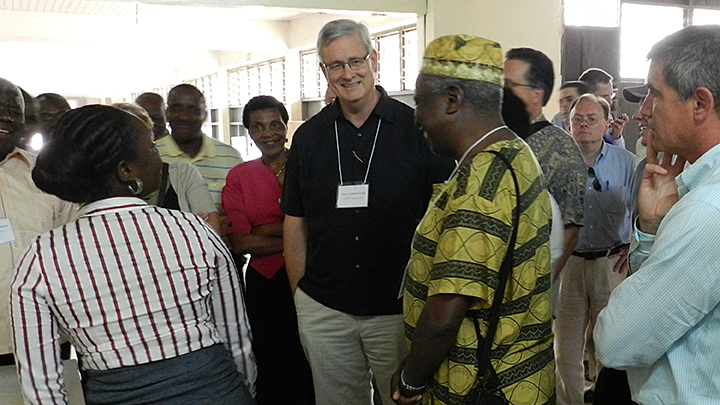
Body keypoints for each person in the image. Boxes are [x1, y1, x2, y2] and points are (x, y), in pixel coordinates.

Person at [10, 105, 256, 405]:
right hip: (217, 392)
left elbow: (40, 383)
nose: (158, 156)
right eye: (151, 148)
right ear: (126, 170)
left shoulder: (40, 258)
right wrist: (245, 390)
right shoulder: (194, 231)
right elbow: (235, 334)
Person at [281, 19, 453, 405]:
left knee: (402, 399)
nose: (347, 73)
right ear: (323, 71)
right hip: (326, 310)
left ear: (373, 59)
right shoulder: (309, 138)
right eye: (335, 65)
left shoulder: (418, 129)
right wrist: (301, 297)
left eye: (355, 60)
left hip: (399, 308)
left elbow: (445, 218)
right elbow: (295, 222)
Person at [391, 34, 554, 405]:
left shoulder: (483, 179)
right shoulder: (514, 152)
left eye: (419, 104)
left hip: (482, 385)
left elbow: (446, 313)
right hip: (520, 378)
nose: (417, 117)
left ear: (452, 99)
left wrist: (411, 379)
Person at [595, 25, 720, 405]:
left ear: (700, 104)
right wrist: (650, 230)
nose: (642, 112)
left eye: (654, 94)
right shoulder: (698, 192)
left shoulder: (707, 210)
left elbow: (616, 343)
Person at [222, 95, 314, 405]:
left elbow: (324, 225)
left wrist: (263, 229)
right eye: (258, 127)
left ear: (287, 127)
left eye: (275, 124)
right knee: (272, 363)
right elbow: (240, 241)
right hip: (264, 283)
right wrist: (297, 232)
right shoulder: (240, 176)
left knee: (312, 359)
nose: (268, 133)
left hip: (311, 277)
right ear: (248, 132)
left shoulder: (308, 166)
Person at [554, 94, 635, 405]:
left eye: (591, 119)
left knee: (608, 346)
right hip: (569, 263)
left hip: (610, 263)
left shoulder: (626, 163)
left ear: (606, 123)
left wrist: (633, 242)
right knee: (566, 349)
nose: (584, 125)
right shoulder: (558, 163)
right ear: (569, 123)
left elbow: (643, 211)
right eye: (578, 119)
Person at [0, 77, 75, 368]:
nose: (6, 118)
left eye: (14, 111)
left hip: (46, 333)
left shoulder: (48, 176)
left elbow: (74, 251)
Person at [504, 48, 586, 281]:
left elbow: (571, 229)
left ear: (536, 95)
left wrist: (541, 286)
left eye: (510, 86)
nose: (501, 93)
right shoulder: (497, 138)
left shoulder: (560, 150)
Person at [112, 102, 221, 233]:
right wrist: (188, 225)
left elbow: (211, 228)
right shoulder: (101, 184)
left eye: (146, 133)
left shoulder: (182, 173)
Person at [154, 84, 242, 235]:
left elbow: (242, 212)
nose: (184, 117)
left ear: (205, 115)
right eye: (177, 109)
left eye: (193, 110)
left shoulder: (230, 157)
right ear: (167, 113)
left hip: (225, 248)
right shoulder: (151, 156)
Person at [578, 68, 628, 147]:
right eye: (605, 97)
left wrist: (616, 136)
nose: (610, 102)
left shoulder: (606, 116)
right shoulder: (561, 120)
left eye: (611, 96)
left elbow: (619, 157)